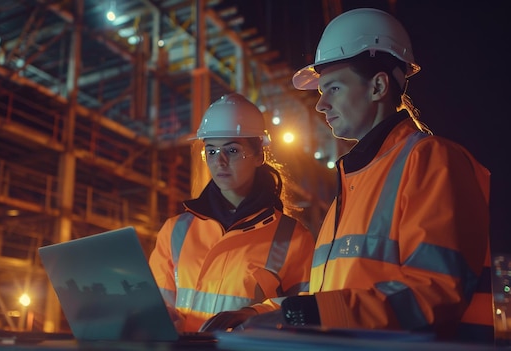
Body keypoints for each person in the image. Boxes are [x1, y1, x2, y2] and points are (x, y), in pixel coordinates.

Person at [201, 8, 494, 344]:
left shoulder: (433, 162)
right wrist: (257, 313)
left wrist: (306, 314)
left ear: (378, 86)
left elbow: (433, 294)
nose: (321, 105)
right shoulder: (357, 179)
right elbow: (333, 294)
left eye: (334, 88)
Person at [148, 93, 316, 332]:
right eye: (212, 151)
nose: (220, 161)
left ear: (259, 155)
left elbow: (305, 312)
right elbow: (157, 305)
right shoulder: (175, 230)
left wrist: (253, 314)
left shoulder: (294, 238)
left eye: (233, 150)